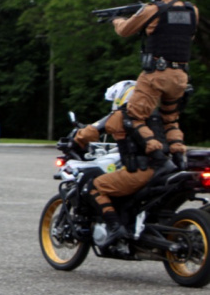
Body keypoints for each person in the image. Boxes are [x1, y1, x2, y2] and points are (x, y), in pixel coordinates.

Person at [71, 80, 175, 253]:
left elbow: (93, 131)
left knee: (94, 186)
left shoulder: (122, 114)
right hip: (166, 168)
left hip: (142, 171)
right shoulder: (155, 115)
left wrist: (75, 138)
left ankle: (115, 228)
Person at [111, 0, 199, 168]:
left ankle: (158, 158)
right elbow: (186, 36)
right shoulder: (192, 10)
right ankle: (179, 159)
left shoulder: (153, 9)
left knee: (133, 116)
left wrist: (116, 19)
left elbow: (125, 30)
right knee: (170, 119)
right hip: (180, 77)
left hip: (157, 74)